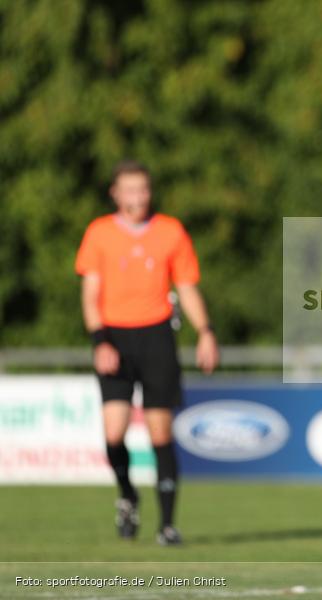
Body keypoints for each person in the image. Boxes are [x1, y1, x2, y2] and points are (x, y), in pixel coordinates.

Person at [75, 160, 219, 546]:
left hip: (157, 336)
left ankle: (167, 525)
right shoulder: (99, 233)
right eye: (129, 190)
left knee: (160, 432)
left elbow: (186, 286)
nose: (137, 197)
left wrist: (205, 331)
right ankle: (127, 494)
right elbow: (90, 293)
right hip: (114, 338)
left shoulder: (170, 232)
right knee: (114, 432)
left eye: (142, 189)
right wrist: (100, 341)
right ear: (115, 193)